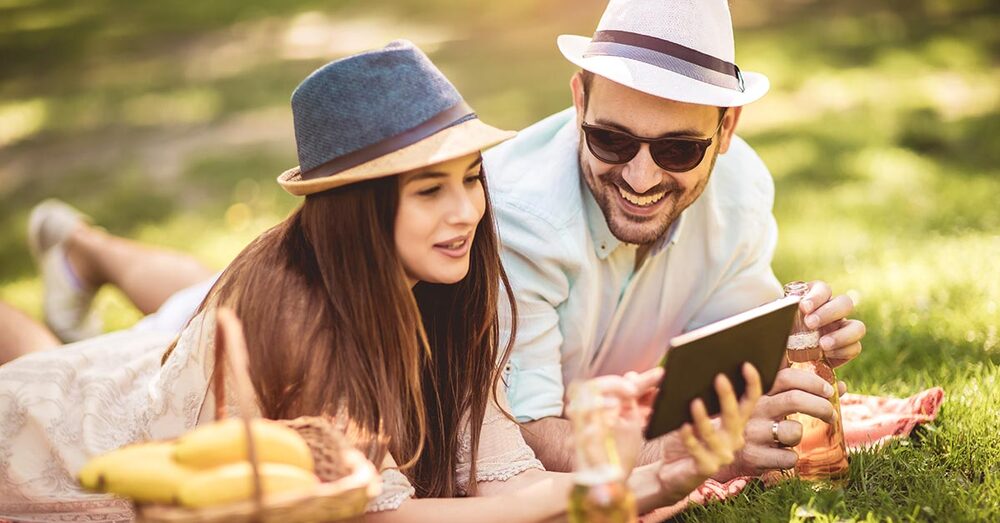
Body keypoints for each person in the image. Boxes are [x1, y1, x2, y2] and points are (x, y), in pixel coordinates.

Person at [0, 41, 761, 522]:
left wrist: (657, 472)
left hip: (126, 377)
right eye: (430, 191)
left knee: (65, 357)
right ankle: (76, 254)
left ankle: (75, 252)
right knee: (33, 382)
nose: (466, 211)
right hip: (54, 459)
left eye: (470, 178)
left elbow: (508, 481)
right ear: (362, 209)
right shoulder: (295, 319)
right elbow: (386, 519)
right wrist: (624, 486)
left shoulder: (458, 285)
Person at [483, 0, 867, 481]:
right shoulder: (518, 219)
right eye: (611, 140)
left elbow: (735, 366)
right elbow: (521, 434)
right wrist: (691, 458)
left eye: (678, 149)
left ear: (727, 128)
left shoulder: (738, 189)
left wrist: (800, 345)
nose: (640, 179)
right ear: (579, 101)